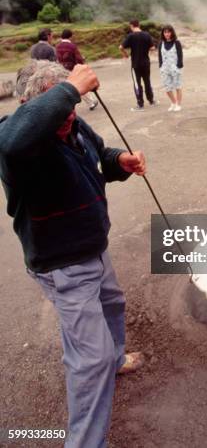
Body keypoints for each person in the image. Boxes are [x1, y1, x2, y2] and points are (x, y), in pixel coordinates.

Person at [0, 62, 146, 447]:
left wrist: (120, 162)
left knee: (113, 303)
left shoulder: (74, 125)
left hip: (93, 249)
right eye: (61, 108)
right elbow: (11, 139)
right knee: (89, 360)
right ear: (31, 104)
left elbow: (98, 155)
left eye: (73, 108)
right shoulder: (20, 144)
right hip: (63, 265)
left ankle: (116, 361)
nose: (69, 116)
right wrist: (70, 90)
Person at [56, 28, 98, 110]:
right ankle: (91, 103)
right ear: (70, 36)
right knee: (80, 86)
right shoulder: (72, 46)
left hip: (61, 70)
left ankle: (66, 107)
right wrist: (83, 63)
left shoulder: (57, 46)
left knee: (66, 89)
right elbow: (78, 59)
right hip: (72, 70)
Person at [119, 20, 156, 110]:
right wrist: (146, 52)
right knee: (147, 81)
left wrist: (125, 55)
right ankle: (151, 100)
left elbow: (121, 47)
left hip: (135, 64)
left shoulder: (131, 36)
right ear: (139, 25)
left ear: (131, 26)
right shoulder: (146, 35)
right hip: (146, 63)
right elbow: (152, 48)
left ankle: (140, 104)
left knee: (137, 84)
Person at [158, 24, 183, 112]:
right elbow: (159, 56)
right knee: (167, 88)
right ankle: (173, 102)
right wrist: (160, 66)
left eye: (169, 32)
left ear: (172, 32)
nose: (167, 34)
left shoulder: (177, 42)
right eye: (165, 32)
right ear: (163, 33)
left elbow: (180, 55)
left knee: (178, 87)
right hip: (165, 69)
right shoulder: (161, 43)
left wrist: (179, 66)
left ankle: (178, 104)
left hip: (175, 68)